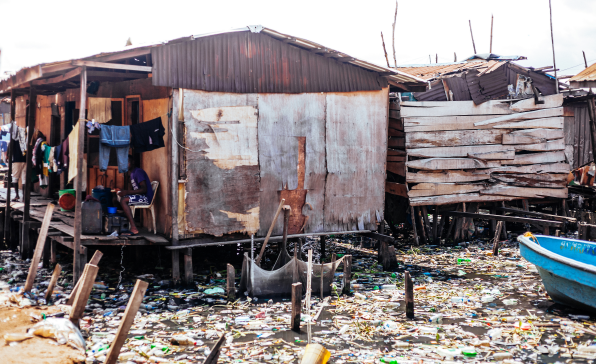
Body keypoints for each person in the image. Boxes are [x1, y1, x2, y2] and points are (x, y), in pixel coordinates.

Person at [112, 155, 154, 235]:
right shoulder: (132, 173)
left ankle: (134, 228)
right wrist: (122, 191)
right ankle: (123, 224)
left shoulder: (138, 172)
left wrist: (127, 192)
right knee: (116, 198)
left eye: (127, 162)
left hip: (146, 198)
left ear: (133, 162)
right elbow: (134, 191)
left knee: (124, 200)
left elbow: (144, 189)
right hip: (140, 196)